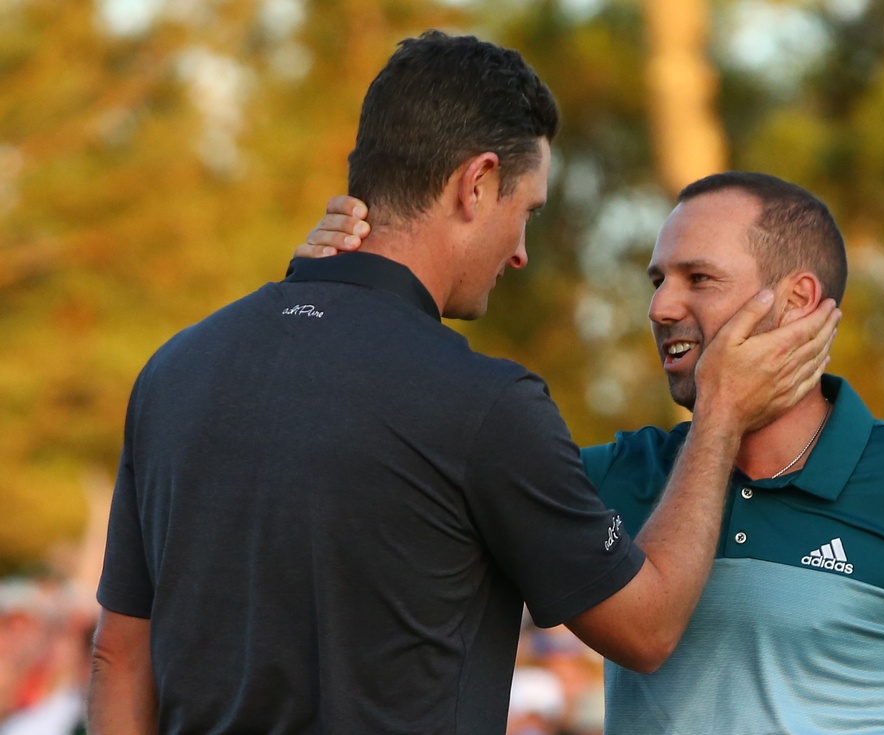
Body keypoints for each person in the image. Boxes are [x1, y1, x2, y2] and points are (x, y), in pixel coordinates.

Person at [88, 31, 837, 735]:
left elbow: (119, 655)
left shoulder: (175, 368)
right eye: (526, 211)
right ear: (476, 184)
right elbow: (645, 629)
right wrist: (721, 414)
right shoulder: (485, 406)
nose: (518, 252)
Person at [305, 171, 884, 734]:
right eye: (657, 279)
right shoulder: (609, 478)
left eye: (698, 277)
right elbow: (381, 488)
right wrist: (331, 306)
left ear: (798, 301)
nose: (660, 305)